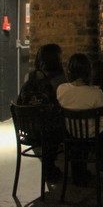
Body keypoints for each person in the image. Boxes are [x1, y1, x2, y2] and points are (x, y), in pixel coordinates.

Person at [57, 53, 103, 185]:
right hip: (93, 137)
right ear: (89, 71)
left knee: (79, 141)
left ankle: (80, 172)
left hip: (71, 135)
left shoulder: (61, 89)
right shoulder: (96, 93)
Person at [17, 43, 66, 182]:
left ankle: (49, 167)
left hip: (28, 130)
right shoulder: (59, 80)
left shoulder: (29, 76)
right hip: (48, 132)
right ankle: (61, 169)